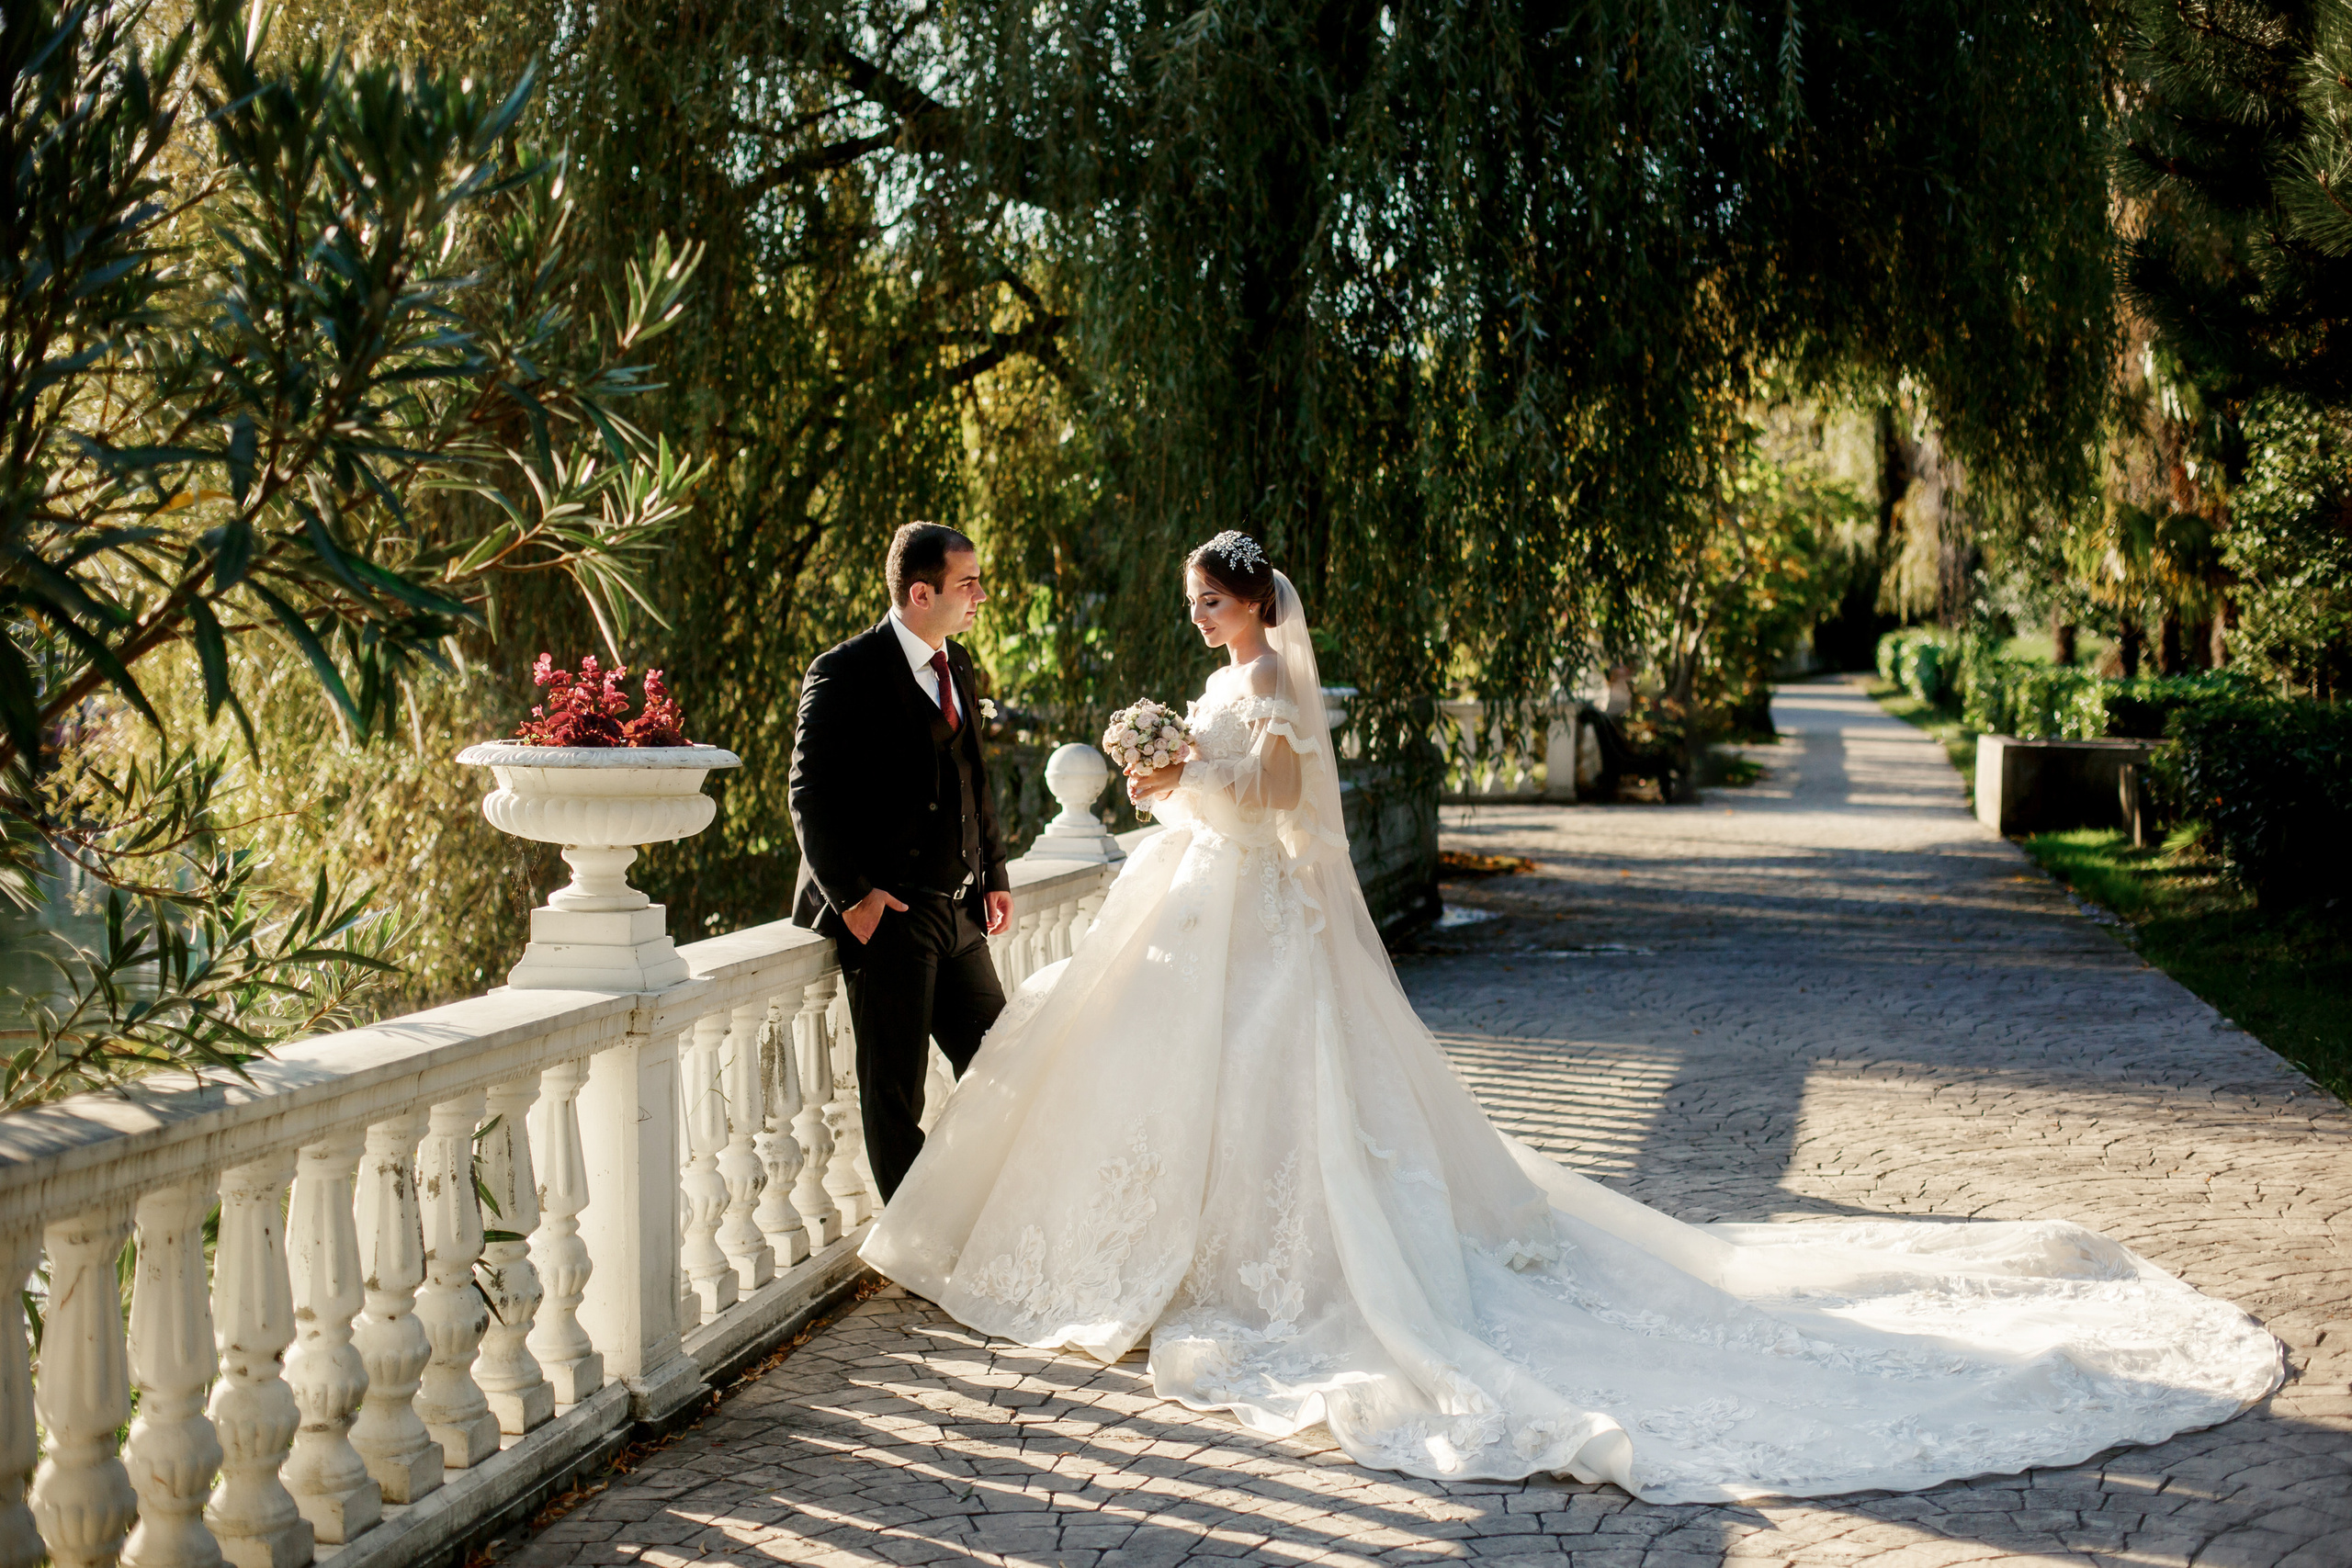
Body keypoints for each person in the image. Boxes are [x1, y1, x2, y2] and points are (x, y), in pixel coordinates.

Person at [859, 532, 2281, 1504]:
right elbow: (1235, 788)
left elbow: (1288, 810)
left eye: (1212, 605)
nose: (1202, 622)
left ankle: (1267, 1270)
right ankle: (1153, 1246)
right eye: (1195, 609)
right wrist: (1176, 773)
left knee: (1289, 1105)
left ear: (1254, 603)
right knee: (1155, 1067)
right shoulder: (1231, 682)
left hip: (1260, 913)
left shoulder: (1278, 685)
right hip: (1197, 902)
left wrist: (1189, 787)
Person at [788, 522, 1013, 1202]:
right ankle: (915, 1248)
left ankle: (978, 1213)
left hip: (957, 909)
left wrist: (994, 873)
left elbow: (976, 777)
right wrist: (854, 897)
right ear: (921, 591)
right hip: (886, 914)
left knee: (1007, 1062)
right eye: (966, 583)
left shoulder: (958, 665)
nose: (980, 595)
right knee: (895, 1093)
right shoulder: (845, 671)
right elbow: (809, 792)